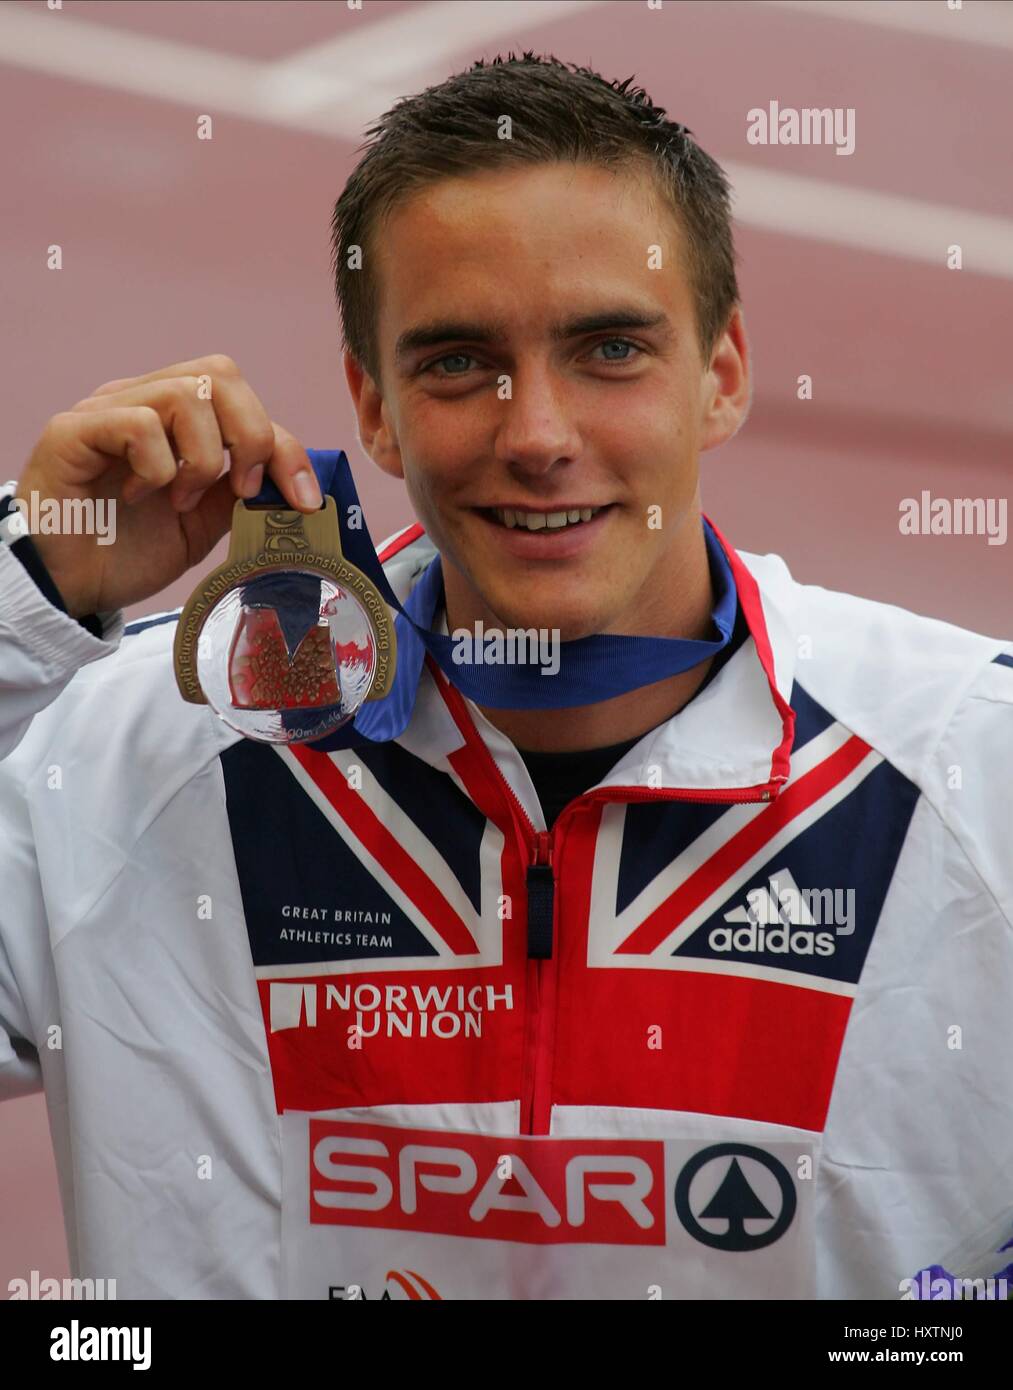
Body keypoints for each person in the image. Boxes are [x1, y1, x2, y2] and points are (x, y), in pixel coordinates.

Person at [2, 53, 1011, 1302]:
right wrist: (30, 593)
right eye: (455, 363)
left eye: (607, 349)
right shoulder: (138, 754)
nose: (534, 434)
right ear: (372, 407)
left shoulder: (970, 768)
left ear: (724, 373)